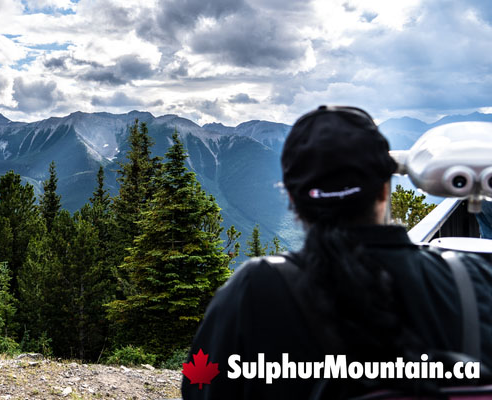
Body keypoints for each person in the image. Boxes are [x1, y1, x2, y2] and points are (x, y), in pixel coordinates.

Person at [181, 106, 492, 399]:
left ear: (292, 199)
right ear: (385, 188)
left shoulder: (252, 292)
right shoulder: (473, 281)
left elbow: (199, 384)